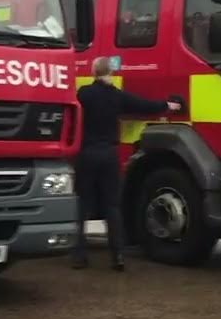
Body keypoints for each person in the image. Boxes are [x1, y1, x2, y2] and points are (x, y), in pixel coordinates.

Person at [74, 56, 181, 271]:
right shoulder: (117, 97)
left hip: (87, 154)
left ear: (94, 72)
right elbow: (145, 105)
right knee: (112, 206)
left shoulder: (84, 93)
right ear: (110, 73)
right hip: (109, 155)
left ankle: (79, 256)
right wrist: (169, 105)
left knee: (83, 205)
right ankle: (118, 256)